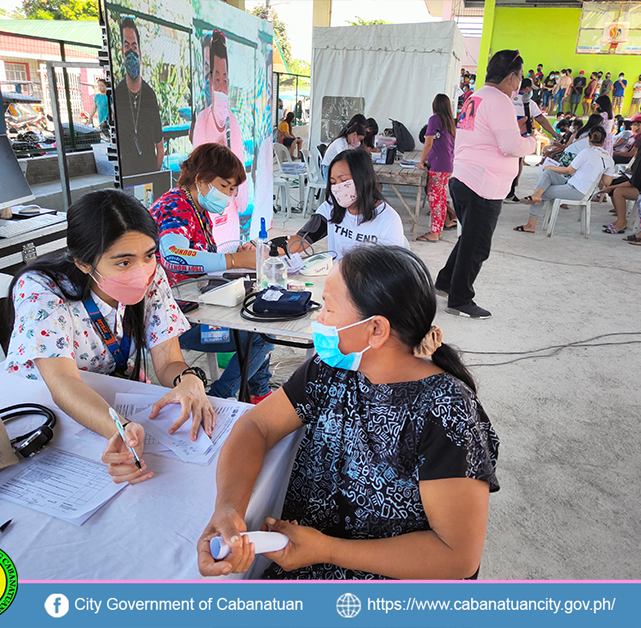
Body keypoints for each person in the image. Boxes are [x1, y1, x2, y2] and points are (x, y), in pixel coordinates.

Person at [196, 245, 499, 580]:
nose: (319, 319)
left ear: (376, 330)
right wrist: (227, 507)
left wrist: (328, 549)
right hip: (309, 559)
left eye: (328, 308)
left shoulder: (446, 412)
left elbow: (457, 556)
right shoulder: (330, 370)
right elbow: (257, 425)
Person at [6, 189, 214, 484]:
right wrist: (120, 429)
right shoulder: (42, 289)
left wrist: (189, 380)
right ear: (83, 263)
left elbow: (168, 362)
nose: (142, 271)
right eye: (124, 262)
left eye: (149, 255)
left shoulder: (152, 278)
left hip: (117, 397)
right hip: (60, 413)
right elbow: (63, 383)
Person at [149, 143, 274, 404]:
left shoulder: (197, 209)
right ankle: (220, 398)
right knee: (260, 337)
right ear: (201, 180)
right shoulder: (175, 207)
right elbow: (174, 256)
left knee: (261, 320)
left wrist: (238, 255)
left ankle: (258, 394)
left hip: (197, 305)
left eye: (232, 189)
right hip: (179, 320)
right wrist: (233, 259)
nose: (229, 195)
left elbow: (201, 259)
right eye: (225, 186)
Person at [435, 49, 536, 319]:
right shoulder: (500, 101)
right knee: (477, 244)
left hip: (466, 177)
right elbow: (511, 145)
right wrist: (532, 142)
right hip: (483, 184)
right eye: (520, 78)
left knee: (469, 237)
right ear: (512, 77)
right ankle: (460, 299)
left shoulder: (476, 96)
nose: (519, 84)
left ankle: (446, 282)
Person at [290, 148, 405, 257]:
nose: (338, 188)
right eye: (333, 182)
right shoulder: (331, 208)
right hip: (336, 275)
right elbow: (302, 240)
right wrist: (274, 249)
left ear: (364, 178)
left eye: (344, 181)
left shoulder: (388, 220)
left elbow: (392, 270)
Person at [192, 29, 247, 246]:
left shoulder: (233, 121)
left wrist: (237, 196)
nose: (221, 85)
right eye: (216, 78)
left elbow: (240, 164)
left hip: (231, 214)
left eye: (224, 79)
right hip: (210, 212)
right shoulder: (202, 122)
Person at [515, 126, 613, 234]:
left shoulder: (586, 152)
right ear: (604, 141)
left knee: (544, 190)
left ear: (589, 139)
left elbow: (568, 170)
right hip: (579, 187)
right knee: (548, 175)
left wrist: (550, 166)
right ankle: (537, 195)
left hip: (576, 190)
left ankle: (531, 224)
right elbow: (607, 183)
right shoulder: (609, 159)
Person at [115, 17, 164, 177]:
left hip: (149, 172)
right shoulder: (118, 94)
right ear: (121, 51)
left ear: (140, 52)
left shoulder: (150, 95)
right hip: (127, 176)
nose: (131, 52)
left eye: (134, 46)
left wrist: (155, 176)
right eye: (126, 46)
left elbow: (159, 145)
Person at [504, 78, 560, 203]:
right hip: (519, 138)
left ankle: (501, 191)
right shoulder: (529, 103)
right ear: (528, 89)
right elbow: (542, 120)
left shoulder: (508, 98)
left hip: (503, 136)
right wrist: (554, 133)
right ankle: (510, 193)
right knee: (516, 165)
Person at [417, 94, 457, 241]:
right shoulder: (450, 122)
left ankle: (435, 232)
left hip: (438, 166)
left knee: (435, 200)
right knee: (440, 200)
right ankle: (437, 231)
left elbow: (428, 143)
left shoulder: (434, 119)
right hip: (447, 166)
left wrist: (421, 161)